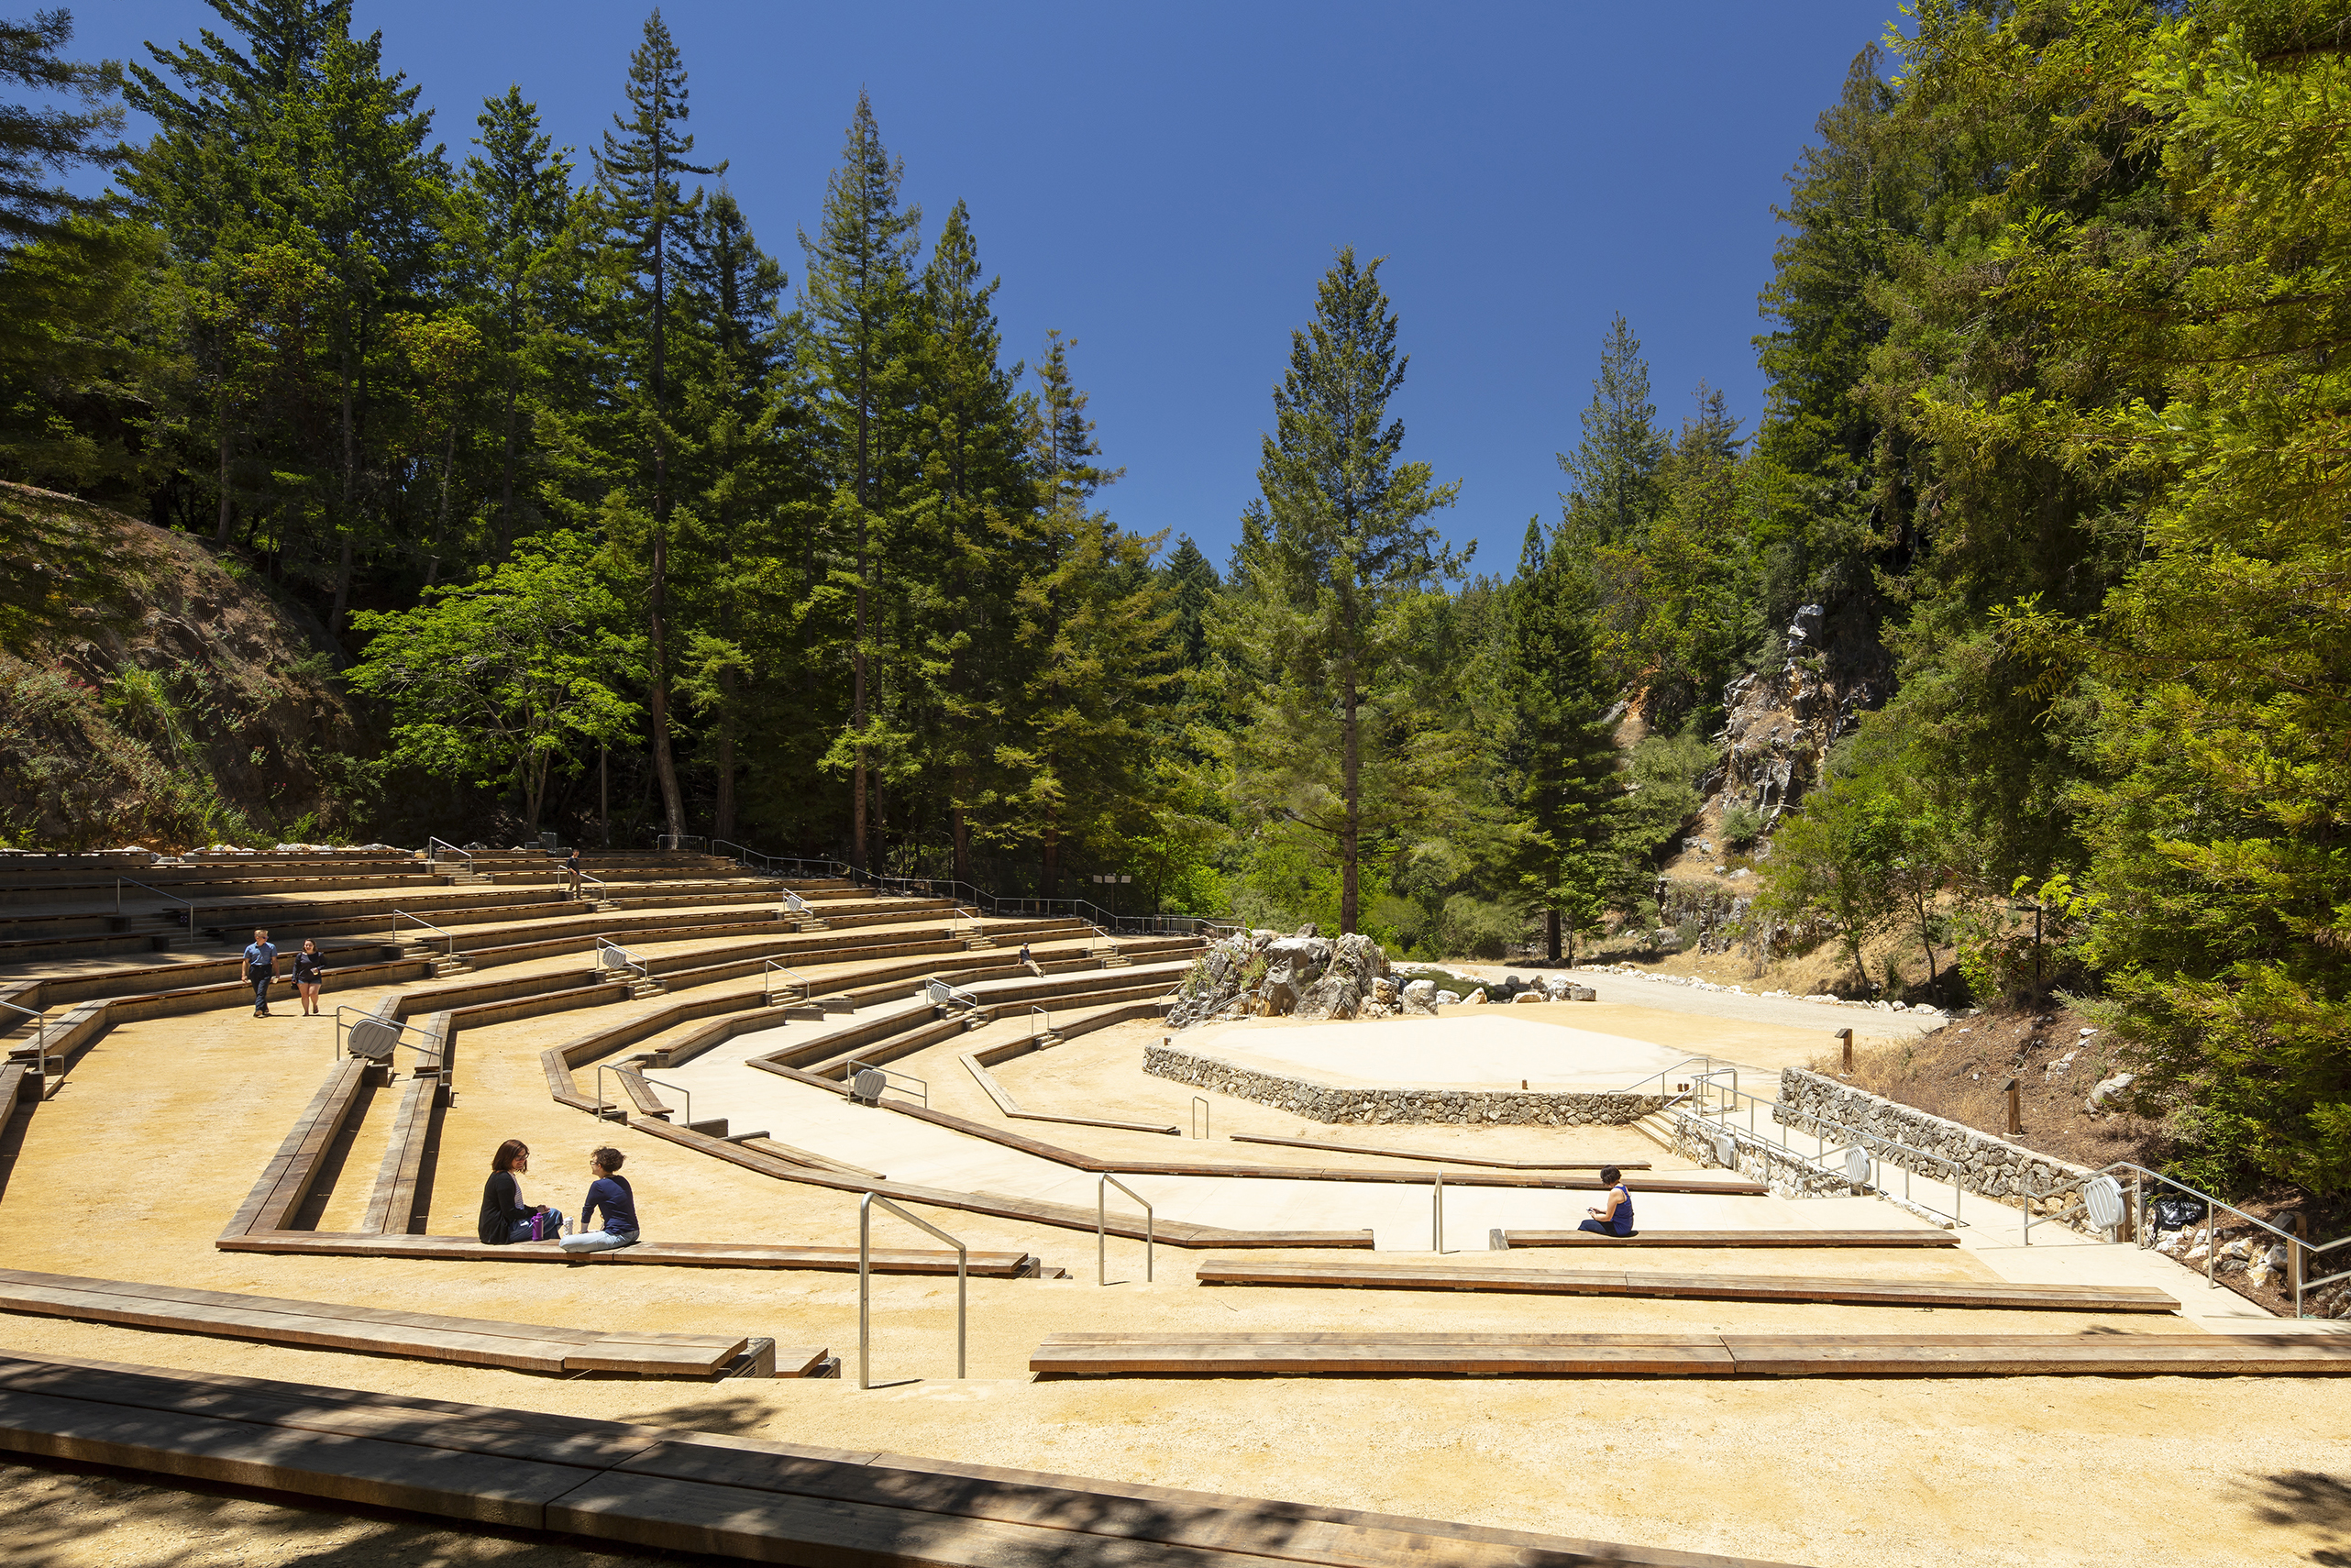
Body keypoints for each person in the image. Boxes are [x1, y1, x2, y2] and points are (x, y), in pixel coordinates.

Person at [478, 1139, 565, 1244]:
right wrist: (535, 1211)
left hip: (495, 1231)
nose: (522, 1160)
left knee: (545, 1218)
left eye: (524, 1157)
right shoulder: (504, 1179)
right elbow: (510, 1212)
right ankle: (553, 1247)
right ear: (506, 1157)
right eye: (518, 1157)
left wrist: (535, 1209)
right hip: (499, 1232)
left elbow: (512, 1206)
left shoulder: (502, 1175)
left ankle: (550, 1248)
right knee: (553, 1215)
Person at [560, 1146, 640, 1253]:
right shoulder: (622, 1180)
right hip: (634, 1232)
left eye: (593, 1163)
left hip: (617, 1235)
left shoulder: (598, 1185)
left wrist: (583, 1232)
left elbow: (588, 1209)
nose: (591, 1165)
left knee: (565, 1242)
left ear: (599, 1166)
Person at [1577, 1165, 1635, 1237]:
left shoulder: (1615, 1192)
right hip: (1627, 1225)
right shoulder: (1623, 1187)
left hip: (1619, 1229)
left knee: (1585, 1224)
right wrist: (1600, 1210)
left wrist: (1595, 1216)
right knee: (1591, 1224)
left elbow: (1608, 1218)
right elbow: (1618, 1211)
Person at [242, 928, 278, 1017]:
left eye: (266, 937)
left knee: (261, 991)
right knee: (258, 991)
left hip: (266, 969)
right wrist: (244, 974)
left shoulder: (271, 947)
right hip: (254, 969)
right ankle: (265, 1008)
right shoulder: (250, 948)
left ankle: (258, 1009)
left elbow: (275, 961)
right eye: (264, 937)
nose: (266, 939)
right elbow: (245, 962)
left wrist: (277, 973)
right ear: (257, 938)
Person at [291, 939, 327, 1016]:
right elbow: (296, 967)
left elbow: (324, 964)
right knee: (304, 995)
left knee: (313, 993)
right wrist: (294, 977)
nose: (308, 947)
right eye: (306, 945)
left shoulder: (319, 955)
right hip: (302, 977)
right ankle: (306, 1012)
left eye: (310, 945)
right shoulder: (300, 955)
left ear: (314, 946)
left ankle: (314, 1005)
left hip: (315, 977)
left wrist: (318, 968)